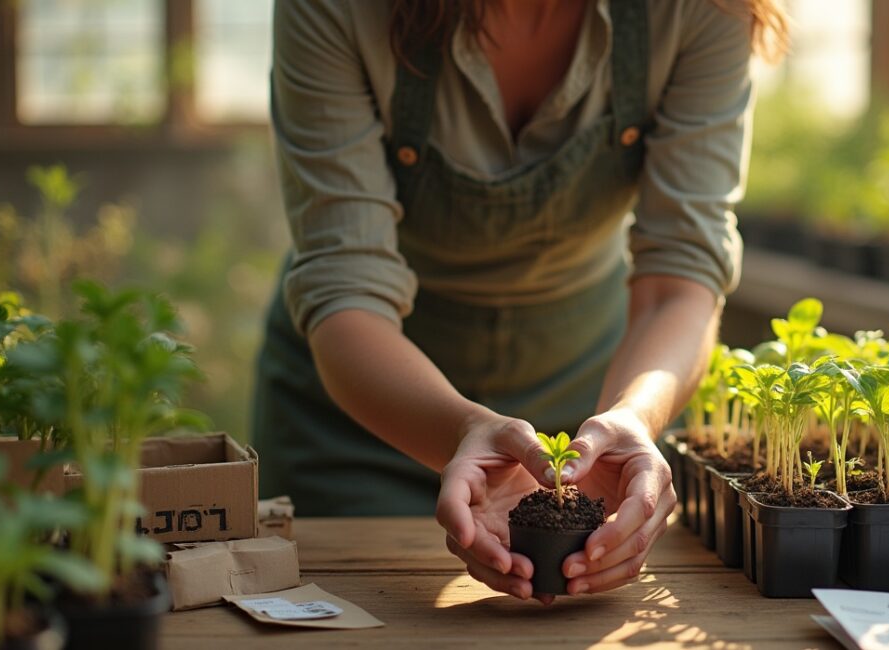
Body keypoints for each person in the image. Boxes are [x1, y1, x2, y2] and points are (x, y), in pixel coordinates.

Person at [252, 0, 788, 603]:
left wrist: (633, 418)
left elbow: (679, 279)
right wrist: (459, 430)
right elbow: (345, 285)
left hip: (589, 384)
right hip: (364, 418)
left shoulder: (705, 9)